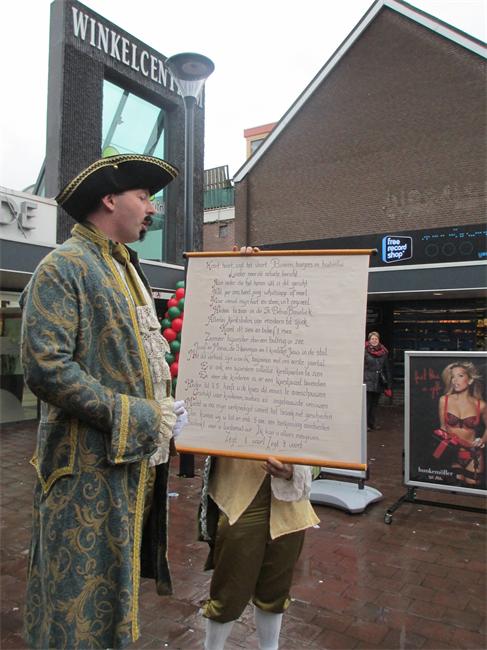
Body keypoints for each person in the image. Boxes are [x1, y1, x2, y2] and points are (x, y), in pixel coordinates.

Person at [20, 154, 188, 650]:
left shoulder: (124, 266)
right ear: (110, 199)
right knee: (75, 611)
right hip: (84, 476)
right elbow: (46, 367)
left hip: (122, 471)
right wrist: (141, 416)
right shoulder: (64, 266)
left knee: (111, 602)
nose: (152, 208)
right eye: (144, 196)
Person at [198, 246, 319, 650]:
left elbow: (322, 438)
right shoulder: (225, 350)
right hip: (239, 493)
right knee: (228, 591)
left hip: (289, 500)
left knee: (275, 589)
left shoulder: (307, 361)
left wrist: (296, 470)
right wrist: (237, 270)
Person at [436, 361, 487, 488]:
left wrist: (482, 440)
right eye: (452, 376)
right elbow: (443, 427)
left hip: (474, 455)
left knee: (473, 490)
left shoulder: (480, 405)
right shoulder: (444, 400)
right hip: (452, 454)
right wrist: (445, 440)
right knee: (452, 490)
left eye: (460, 376)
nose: (455, 380)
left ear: (470, 380)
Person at [364, 331, 392, 431]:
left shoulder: (383, 352)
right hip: (367, 380)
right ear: (369, 340)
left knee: (375, 405)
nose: (374, 340)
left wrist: (388, 386)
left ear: (378, 340)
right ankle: (365, 424)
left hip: (378, 381)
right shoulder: (364, 351)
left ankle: (372, 423)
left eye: (376, 339)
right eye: (372, 339)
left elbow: (386, 368)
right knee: (367, 404)